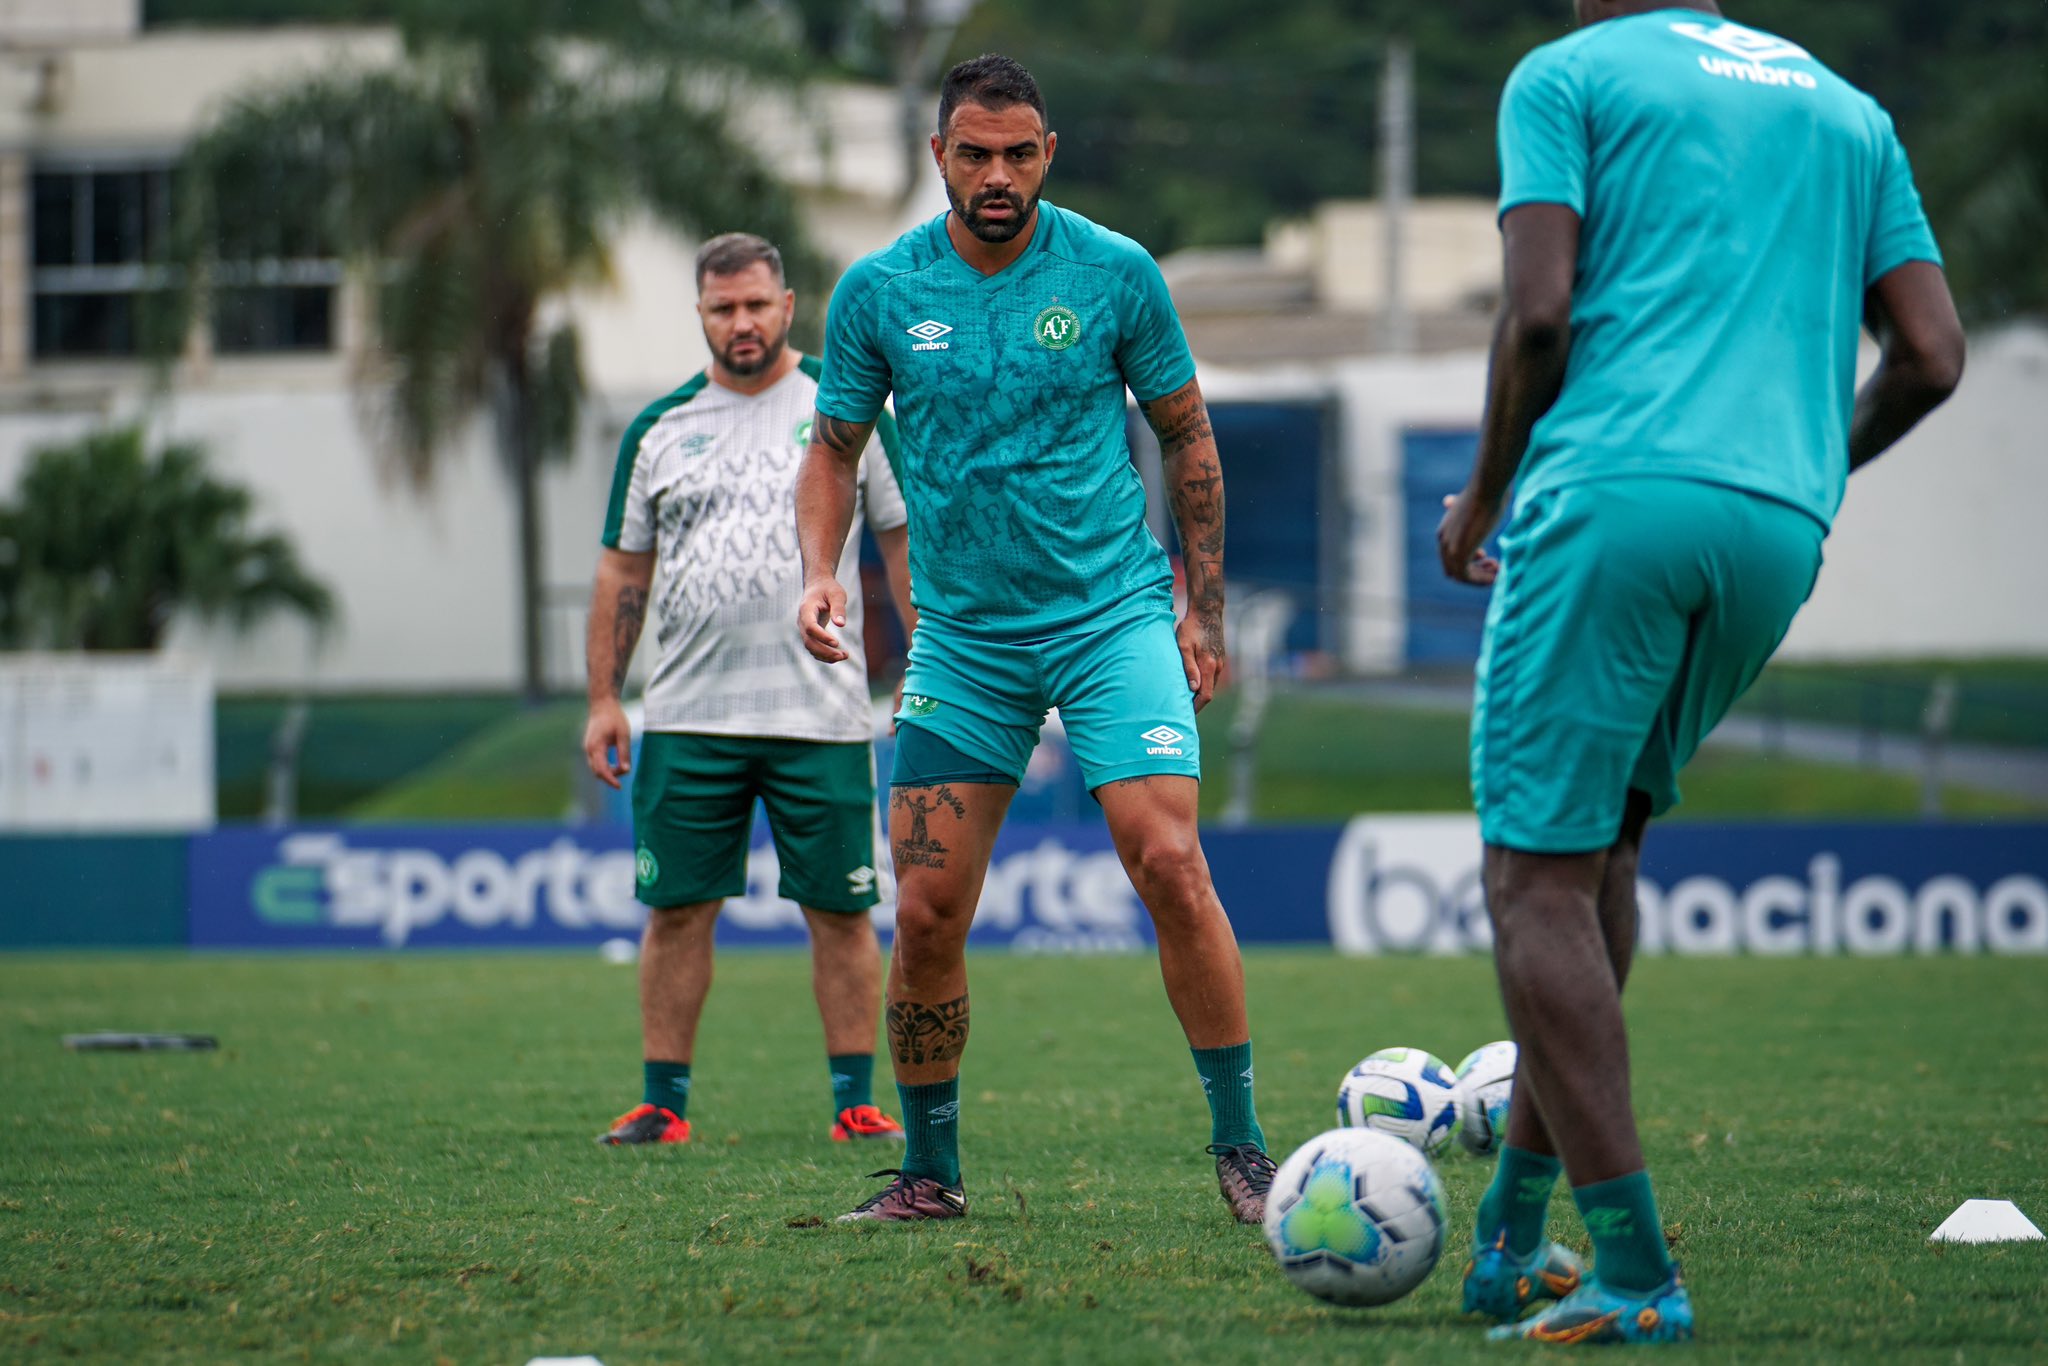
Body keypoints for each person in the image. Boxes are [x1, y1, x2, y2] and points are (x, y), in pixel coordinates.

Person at [1437, 1, 1964, 1345]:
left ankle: (1635, 1268)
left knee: (1531, 877)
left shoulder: (1567, 75)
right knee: (1600, 852)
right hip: (1778, 525)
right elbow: (1933, 354)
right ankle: (1513, 1230)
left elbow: (1540, 316)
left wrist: (1483, 495)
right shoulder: (1850, 109)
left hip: (1616, 494)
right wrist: (1812, 465)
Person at [793, 54, 1274, 1225]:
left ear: (1047, 154)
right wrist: (819, 572)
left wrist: (1199, 608)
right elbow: (832, 451)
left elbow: (1188, 437)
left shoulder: (1114, 272)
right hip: (963, 640)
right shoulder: (877, 291)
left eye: (1018, 153)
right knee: (923, 913)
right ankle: (930, 1173)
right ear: (938, 156)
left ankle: (1242, 1147)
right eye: (974, 153)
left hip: (1111, 614)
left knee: (1167, 861)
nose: (996, 175)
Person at [584, 232, 919, 1149]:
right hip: (689, 716)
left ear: (788, 305)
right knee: (677, 909)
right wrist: (606, 698)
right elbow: (622, 576)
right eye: (723, 308)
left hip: (822, 714)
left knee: (843, 911)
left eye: (756, 304)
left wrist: (926, 665)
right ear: (701, 314)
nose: (742, 322)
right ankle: (664, 1101)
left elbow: (902, 546)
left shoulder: (843, 410)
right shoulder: (659, 429)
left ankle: (855, 1100)